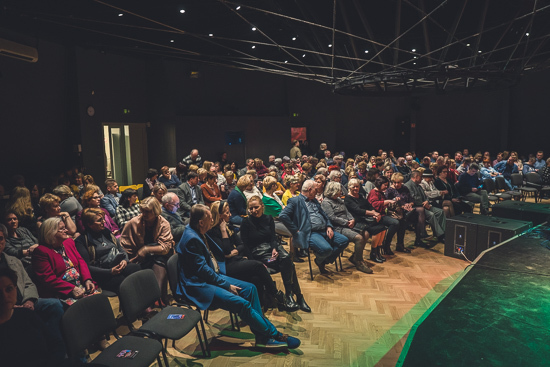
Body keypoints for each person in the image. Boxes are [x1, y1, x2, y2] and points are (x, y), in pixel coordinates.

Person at [176, 204, 301, 349]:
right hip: (199, 285)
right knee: (242, 303)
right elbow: (203, 272)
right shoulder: (192, 238)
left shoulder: (198, 230)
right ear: (201, 222)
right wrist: (226, 285)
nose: (213, 220)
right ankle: (273, 334)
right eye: (210, 218)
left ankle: (262, 336)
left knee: (251, 288)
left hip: (211, 277)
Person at [207, 201, 297, 312]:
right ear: (219, 215)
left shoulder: (228, 225)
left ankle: (260, 307)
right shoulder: (213, 231)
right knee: (258, 265)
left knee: (258, 276)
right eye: (226, 212)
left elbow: (241, 245)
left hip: (236, 259)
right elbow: (225, 251)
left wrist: (233, 252)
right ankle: (277, 294)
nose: (230, 214)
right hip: (225, 266)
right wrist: (223, 231)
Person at [240, 197, 310, 311]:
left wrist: (274, 249)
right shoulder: (246, 222)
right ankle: (296, 297)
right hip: (262, 258)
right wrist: (254, 263)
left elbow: (273, 238)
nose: (254, 210)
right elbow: (246, 246)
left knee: (286, 259)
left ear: (262, 206)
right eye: (251, 208)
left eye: (256, 207)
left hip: (272, 252)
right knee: (290, 265)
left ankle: (289, 296)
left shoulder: (268, 218)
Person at [279, 180, 349, 275]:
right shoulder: (295, 201)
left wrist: (329, 226)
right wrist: (295, 230)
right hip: (311, 232)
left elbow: (324, 215)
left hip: (325, 230)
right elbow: (283, 215)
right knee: (326, 249)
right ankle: (321, 260)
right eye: (316, 189)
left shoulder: (314, 200)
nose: (318, 191)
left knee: (344, 241)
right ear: (309, 189)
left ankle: (322, 260)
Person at [0, 267, 65, 367]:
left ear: (15, 289)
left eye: (9, 289)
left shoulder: (26, 314)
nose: (4, 296)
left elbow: (56, 344)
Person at [32, 217, 98, 306]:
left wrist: (87, 280)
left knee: (99, 302)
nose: (66, 230)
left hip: (80, 285)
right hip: (62, 292)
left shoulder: (68, 242)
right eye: (62, 229)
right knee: (86, 308)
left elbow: (80, 261)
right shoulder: (41, 251)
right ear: (51, 232)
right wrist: (71, 289)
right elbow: (47, 279)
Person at [120, 196, 174, 305]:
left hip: (159, 254)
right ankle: (157, 297)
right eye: (142, 211)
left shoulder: (164, 223)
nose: (144, 214)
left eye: (147, 212)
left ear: (155, 212)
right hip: (138, 257)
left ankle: (157, 296)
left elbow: (165, 247)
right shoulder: (133, 223)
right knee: (157, 260)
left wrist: (146, 249)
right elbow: (124, 245)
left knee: (160, 259)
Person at [75, 208, 140, 294]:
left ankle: (145, 303)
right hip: (104, 273)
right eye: (99, 220)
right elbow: (87, 267)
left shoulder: (106, 232)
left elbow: (121, 249)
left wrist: (125, 260)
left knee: (136, 269)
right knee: (122, 282)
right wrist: (110, 272)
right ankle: (133, 305)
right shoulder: (82, 241)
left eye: (103, 219)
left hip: (119, 264)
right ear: (89, 224)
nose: (104, 222)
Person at [322, 181, 375, 273]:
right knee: (359, 238)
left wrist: (352, 220)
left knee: (366, 233)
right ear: (334, 191)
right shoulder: (326, 202)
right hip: (338, 227)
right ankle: (359, 262)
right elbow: (332, 218)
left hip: (348, 224)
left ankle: (355, 256)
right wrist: (346, 222)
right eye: (339, 190)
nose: (341, 192)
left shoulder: (339, 200)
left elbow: (347, 212)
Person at [367, 176, 411, 253]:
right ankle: (386, 244)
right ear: (379, 184)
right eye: (385, 185)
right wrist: (388, 201)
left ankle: (399, 245)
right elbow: (375, 204)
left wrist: (401, 205)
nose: (386, 187)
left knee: (403, 221)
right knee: (395, 223)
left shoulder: (381, 192)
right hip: (376, 215)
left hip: (383, 213)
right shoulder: (373, 192)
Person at [405, 171, 446, 244]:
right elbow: (412, 198)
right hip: (416, 208)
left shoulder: (419, 186)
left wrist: (427, 202)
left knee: (440, 212)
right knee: (431, 215)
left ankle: (442, 233)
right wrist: (423, 203)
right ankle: (441, 236)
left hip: (424, 205)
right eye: (421, 177)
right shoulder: (408, 186)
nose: (422, 179)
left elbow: (425, 196)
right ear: (416, 177)